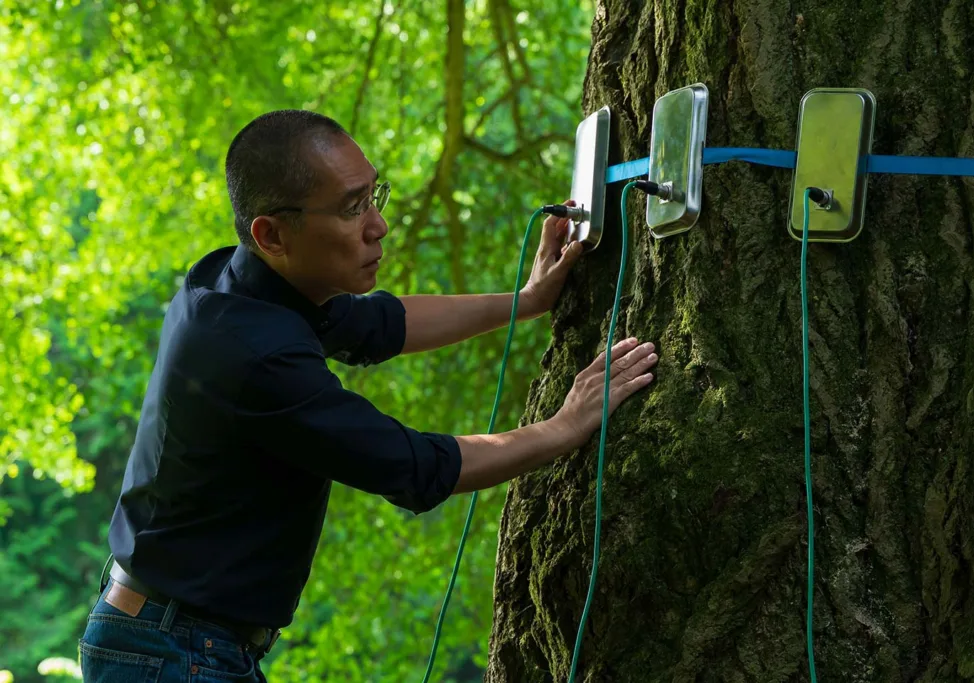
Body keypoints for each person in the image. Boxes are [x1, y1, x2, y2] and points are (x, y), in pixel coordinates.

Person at [78, 109, 658, 682]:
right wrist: (565, 426)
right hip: (170, 653)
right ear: (272, 234)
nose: (378, 224)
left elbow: (381, 325)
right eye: (352, 208)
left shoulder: (240, 284)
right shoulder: (253, 355)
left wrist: (525, 301)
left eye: (373, 194)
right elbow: (414, 464)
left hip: (174, 639)